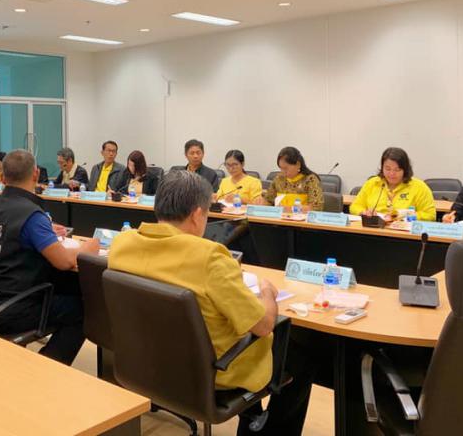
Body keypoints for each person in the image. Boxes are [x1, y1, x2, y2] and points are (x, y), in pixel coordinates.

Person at [109, 170, 315, 434]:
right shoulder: (209, 257)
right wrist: (267, 293)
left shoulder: (122, 243)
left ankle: (251, 417)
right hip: (210, 373)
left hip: (147, 363)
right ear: (197, 214)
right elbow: (263, 325)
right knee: (302, 354)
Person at [0, 149, 99, 365]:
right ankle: (46, 367)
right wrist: (88, 246)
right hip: (14, 307)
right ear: (35, 174)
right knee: (84, 309)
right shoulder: (31, 215)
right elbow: (65, 261)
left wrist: (44, 231)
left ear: (2, 177)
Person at [349, 147, 436, 221]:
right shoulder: (372, 183)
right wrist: (364, 212)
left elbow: (430, 215)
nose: (391, 174)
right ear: (382, 168)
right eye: (387, 169)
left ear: (405, 170)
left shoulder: (419, 187)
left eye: (397, 170)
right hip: (374, 230)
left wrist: (403, 216)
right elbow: (355, 206)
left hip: (404, 232)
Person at [261, 147, 324, 211]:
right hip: (279, 217)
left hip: (301, 217)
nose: (283, 172)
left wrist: (291, 209)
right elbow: (269, 200)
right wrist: (262, 203)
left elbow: (316, 207)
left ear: (298, 164)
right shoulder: (279, 179)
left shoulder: (310, 180)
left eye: (286, 168)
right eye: (281, 168)